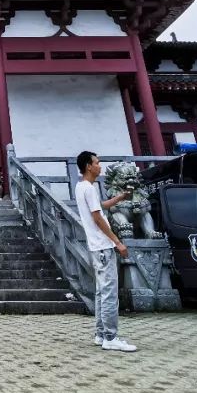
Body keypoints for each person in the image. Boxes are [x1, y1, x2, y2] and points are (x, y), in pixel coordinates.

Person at [75, 151, 136, 352]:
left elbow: (100, 208)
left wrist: (120, 197)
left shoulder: (81, 187)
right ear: (88, 166)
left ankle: (101, 334)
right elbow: (98, 218)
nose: (100, 166)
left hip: (95, 247)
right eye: (97, 163)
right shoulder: (89, 188)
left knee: (102, 291)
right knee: (109, 293)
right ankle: (111, 336)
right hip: (103, 245)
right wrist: (117, 242)